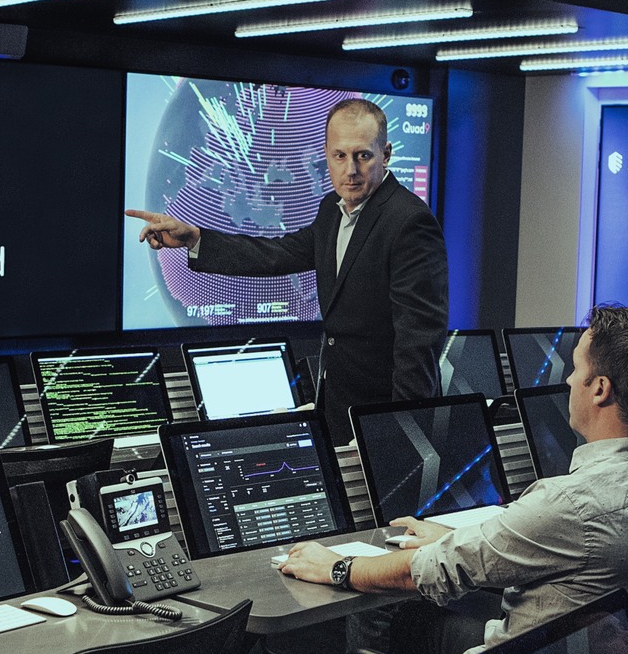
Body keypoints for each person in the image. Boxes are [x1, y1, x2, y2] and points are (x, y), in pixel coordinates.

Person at [277, 305, 628, 654]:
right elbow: (542, 546)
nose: (568, 381)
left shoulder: (569, 502)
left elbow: (430, 571)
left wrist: (335, 567)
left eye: (576, 370)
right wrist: (456, 536)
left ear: (600, 389)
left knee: (386, 606)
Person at [125, 98, 448, 441]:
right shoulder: (332, 210)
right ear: (326, 154)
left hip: (383, 423)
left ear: (386, 154)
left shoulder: (409, 222)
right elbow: (277, 254)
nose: (350, 169)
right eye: (339, 156)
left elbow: (419, 343)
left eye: (362, 155)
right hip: (341, 414)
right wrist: (196, 239)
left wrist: (397, 435)